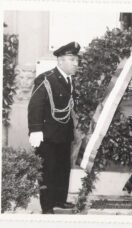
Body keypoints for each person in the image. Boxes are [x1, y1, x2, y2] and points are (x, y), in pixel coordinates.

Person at [28, 42, 80, 214]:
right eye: (72, 60)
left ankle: (59, 200)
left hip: (63, 134)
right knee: (48, 171)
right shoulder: (46, 79)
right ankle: (47, 206)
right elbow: (35, 105)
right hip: (48, 136)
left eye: (76, 60)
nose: (76, 64)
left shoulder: (69, 80)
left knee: (62, 169)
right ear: (60, 61)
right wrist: (35, 130)